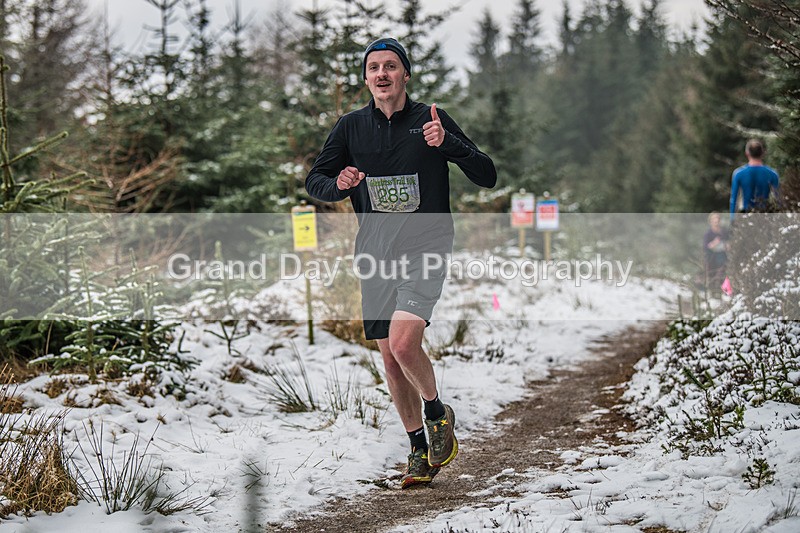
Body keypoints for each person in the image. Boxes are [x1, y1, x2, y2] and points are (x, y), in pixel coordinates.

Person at [305, 37, 497, 489]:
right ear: (366, 77)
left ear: (405, 74)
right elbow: (316, 179)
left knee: (405, 342)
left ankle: (437, 413)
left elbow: (487, 174)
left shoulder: (431, 119)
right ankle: (417, 449)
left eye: (391, 66)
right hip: (374, 251)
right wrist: (340, 182)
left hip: (426, 244)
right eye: (374, 67)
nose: (382, 74)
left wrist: (449, 144)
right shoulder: (350, 127)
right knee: (391, 360)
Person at [729, 139, 780, 220]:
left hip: (746, 217)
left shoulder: (739, 174)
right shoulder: (772, 174)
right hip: (765, 216)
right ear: (762, 153)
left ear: (747, 153)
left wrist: (732, 220)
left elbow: (733, 200)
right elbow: (778, 199)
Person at [703, 211, 728, 293]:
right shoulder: (708, 234)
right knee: (713, 275)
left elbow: (729, 242)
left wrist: (728, 246)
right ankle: (714, 292)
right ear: (710, 221)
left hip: (724, 256)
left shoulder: (724, 231)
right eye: (714, 218)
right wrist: (714, 243)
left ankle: (725, 290)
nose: (717, 220)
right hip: (712, 258)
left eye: (718, 218)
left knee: (724, 272)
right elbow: (706, 247)